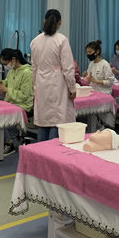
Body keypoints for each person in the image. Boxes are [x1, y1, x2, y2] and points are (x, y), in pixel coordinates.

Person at [31, 9, 77, 142]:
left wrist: (35, 85)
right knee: (58, 119)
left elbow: (33, 67)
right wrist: (72, 88)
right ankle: (52, 150)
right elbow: (68, 68)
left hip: (41, 82)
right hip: (58, 82)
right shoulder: (62, 40)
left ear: (44, 20)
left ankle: (40, 149)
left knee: (43, 120)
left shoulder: (35, 41)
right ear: (60, 22)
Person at [0, 49, 33, 156]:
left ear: (13, 59)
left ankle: (9, 143)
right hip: (11, 102)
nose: (5, 66)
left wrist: (7, 90)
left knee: (0, 115)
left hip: (23, 105)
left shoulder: (27, 73)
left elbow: (24, 95)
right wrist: (1, 82)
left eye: (5, 64)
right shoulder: (12, 71)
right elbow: (7, 83)